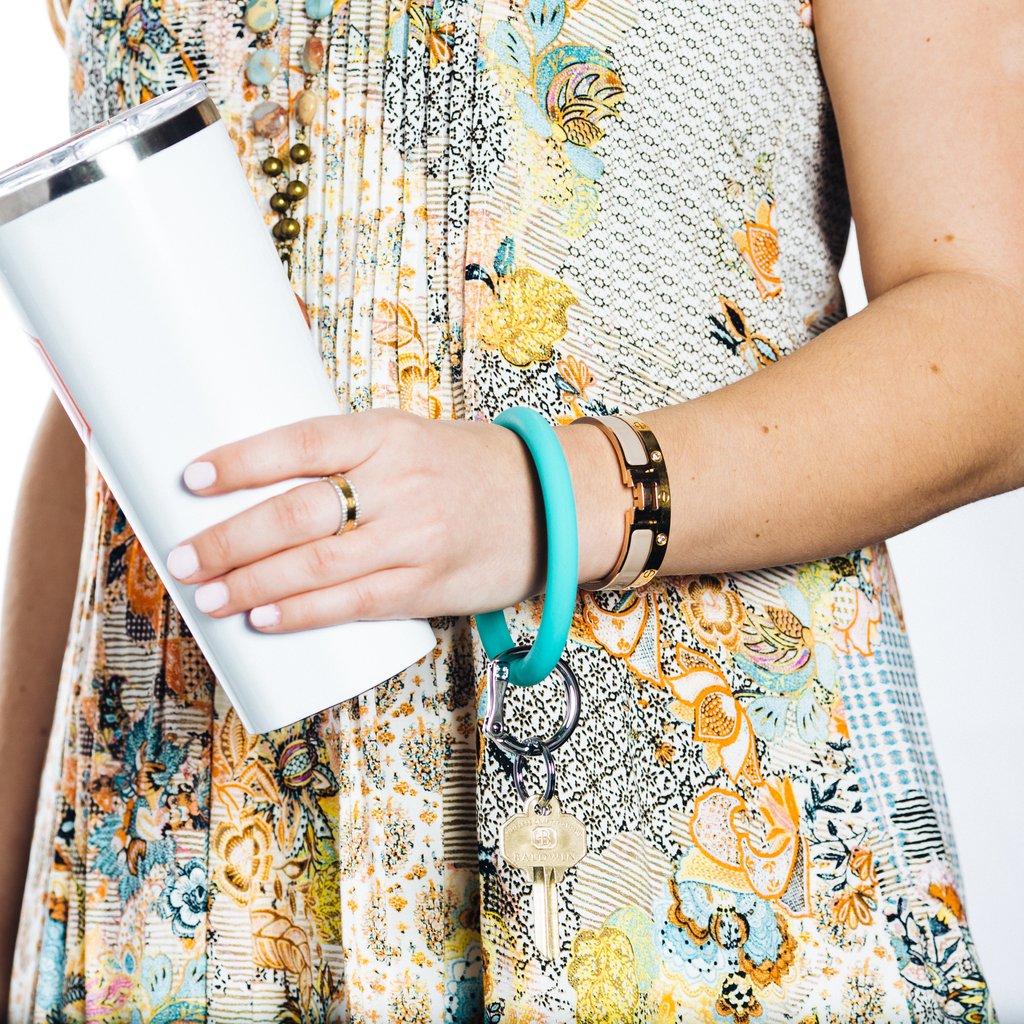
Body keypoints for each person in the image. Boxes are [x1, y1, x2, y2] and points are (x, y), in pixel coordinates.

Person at [2, 0, 1020, 1019]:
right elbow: (113, 405)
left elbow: (994, 329)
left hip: (668, 862)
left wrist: (548, 498)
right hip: (171, 882)